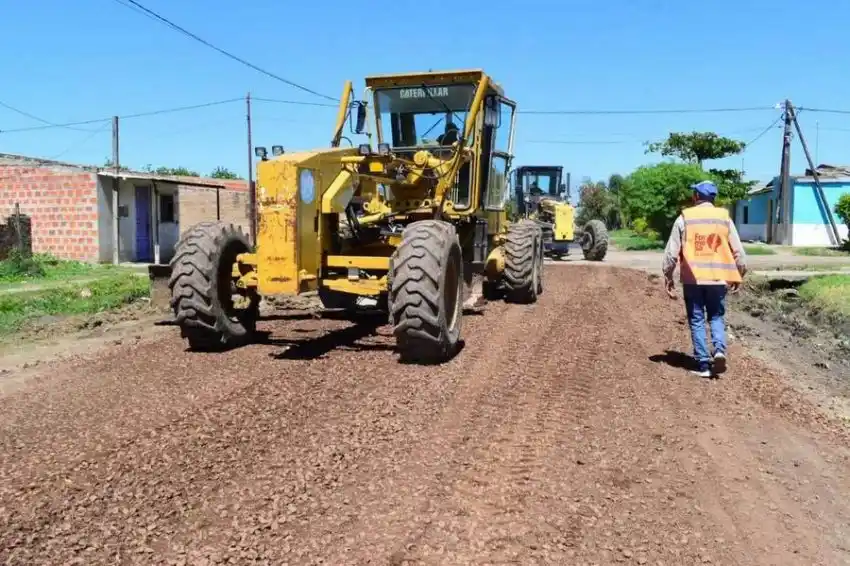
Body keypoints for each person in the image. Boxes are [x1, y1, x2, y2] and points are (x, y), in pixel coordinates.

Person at [661, 180, 748, 378]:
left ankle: (703, 365)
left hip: (693, 279)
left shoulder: (685, 218)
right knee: (716, 316)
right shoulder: (724, 218)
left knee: (697, 319)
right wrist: (739, 274)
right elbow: (739, 253)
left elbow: (671, 253)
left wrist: (668, 276)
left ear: (696, 197)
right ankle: (718, 350)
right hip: (718, 279)